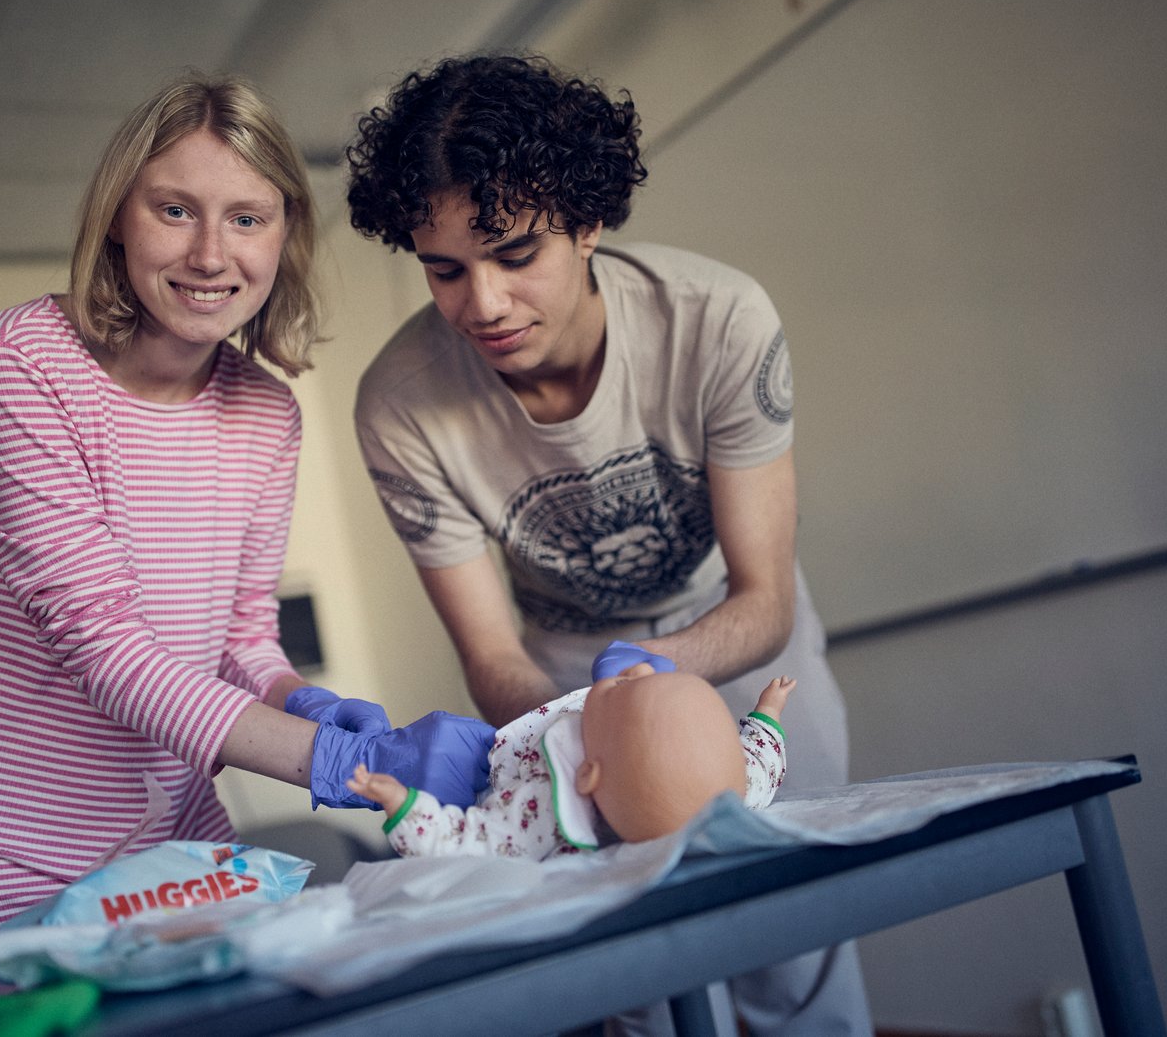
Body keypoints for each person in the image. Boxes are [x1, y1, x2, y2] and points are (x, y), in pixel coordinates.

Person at [0, 73, 495, 982]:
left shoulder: (266, 414)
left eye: (248, 218)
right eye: (175, 209)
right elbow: (106, 649)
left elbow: (240, 637)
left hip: (177, 821)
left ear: (286, 231)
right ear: (116, 217)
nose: (212, 254)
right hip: (11, 843)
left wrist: (299, 699)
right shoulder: (20, 371)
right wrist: (350, 762)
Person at [346, 54, 871, 1034]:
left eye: (513, 254)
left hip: (737, 642)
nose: (483, 305)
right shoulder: (399, 405)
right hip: (557, 678)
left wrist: (657, 681)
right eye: (444, 269)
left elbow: (763, 599)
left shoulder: (717, 322)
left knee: (793, 951)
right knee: (628, 976)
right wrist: (585, 725)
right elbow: (492, 656)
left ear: (588, 220)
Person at [349, 659, 794, 859]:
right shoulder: (734, 792)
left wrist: (405, 805)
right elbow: (759, 761)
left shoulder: (546, 811)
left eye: (624, 690)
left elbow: (473, 843)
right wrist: (766, 714)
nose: (639, 669)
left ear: (586, 773)